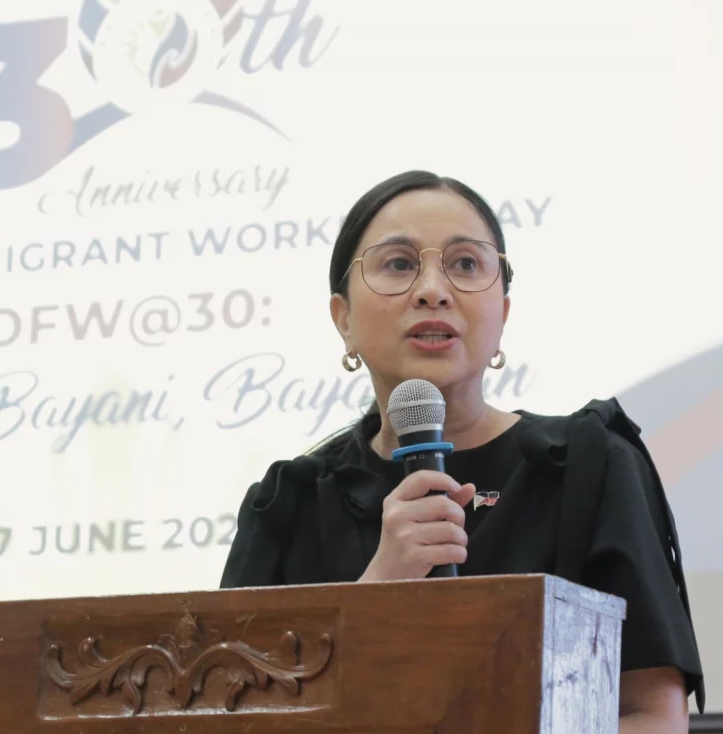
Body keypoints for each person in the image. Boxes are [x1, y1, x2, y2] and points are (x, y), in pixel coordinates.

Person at [219, 171, 704, 732]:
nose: (433, 289)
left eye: (466, 264)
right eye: (399, 264)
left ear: (503, 312)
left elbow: (651, 715)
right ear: (343, 318)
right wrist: (379, 591)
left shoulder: (588, 467)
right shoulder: (289, 504)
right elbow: (236, 718)